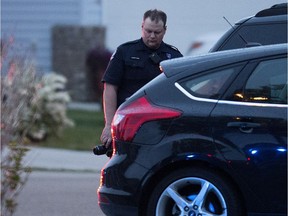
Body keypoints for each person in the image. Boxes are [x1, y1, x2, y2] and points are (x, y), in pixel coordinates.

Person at [100, 9, 183, 149]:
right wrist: (109, 125)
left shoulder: (173, 57)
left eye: (157, 32)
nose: (152, 36)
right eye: (148, 31)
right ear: (142, 27)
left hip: (159, 124)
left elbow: (180, 94)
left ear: (165, 30)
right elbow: (110, 87)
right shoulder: (125, 52)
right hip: (128, 121)